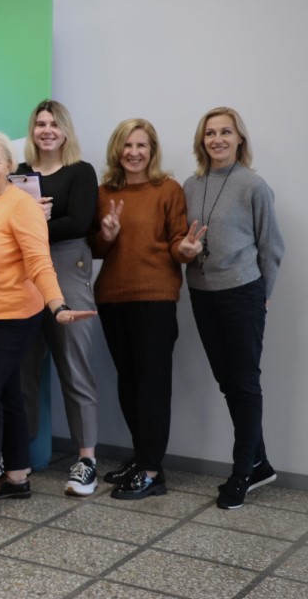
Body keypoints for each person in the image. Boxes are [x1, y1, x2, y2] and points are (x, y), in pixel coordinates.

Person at [0, 131, 96, 525]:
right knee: (8, 392)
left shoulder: (22, 206)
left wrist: (58, 305)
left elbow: (39, 262)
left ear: (10, 166)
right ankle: (17, 477)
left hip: (13, 315)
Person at [90, 119, 203, 500]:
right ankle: (143, 458)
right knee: (129, 383)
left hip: (155, 297)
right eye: (127, 145)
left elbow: (177, 241)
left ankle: (152, 473)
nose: (134, 152)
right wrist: (106, 235)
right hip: (112, 297)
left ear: (152, 150)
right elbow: (95, 248)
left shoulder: (167, 189)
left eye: (141, 145)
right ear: (116, 150)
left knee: (152, 385)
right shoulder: (104, 192)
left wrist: (185, 250)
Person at [183, 107, 283, 510]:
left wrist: (263, 294)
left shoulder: (253, 185)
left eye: (225, 132)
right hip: (202, 292)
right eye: (210, 133)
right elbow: (185, 240)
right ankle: (259, 462)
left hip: (243, 293)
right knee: (229, 382)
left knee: (244, 382)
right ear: (202, 140)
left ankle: (242, 471)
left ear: (239, 138)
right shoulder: (191, 185)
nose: (217, 139)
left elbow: (271, 246)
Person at [15, 100, 102, 496]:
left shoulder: (80, 171)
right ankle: (20, 457)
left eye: (54, 123)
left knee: (74, 367)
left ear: (65, 130)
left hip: (67, 269)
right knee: (23, 369)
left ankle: (86, 460)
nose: (46, 130)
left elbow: (80, 222)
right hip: (24, 275)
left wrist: (32, 222)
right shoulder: (20, 174)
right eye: (40, 123)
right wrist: (29, 221)